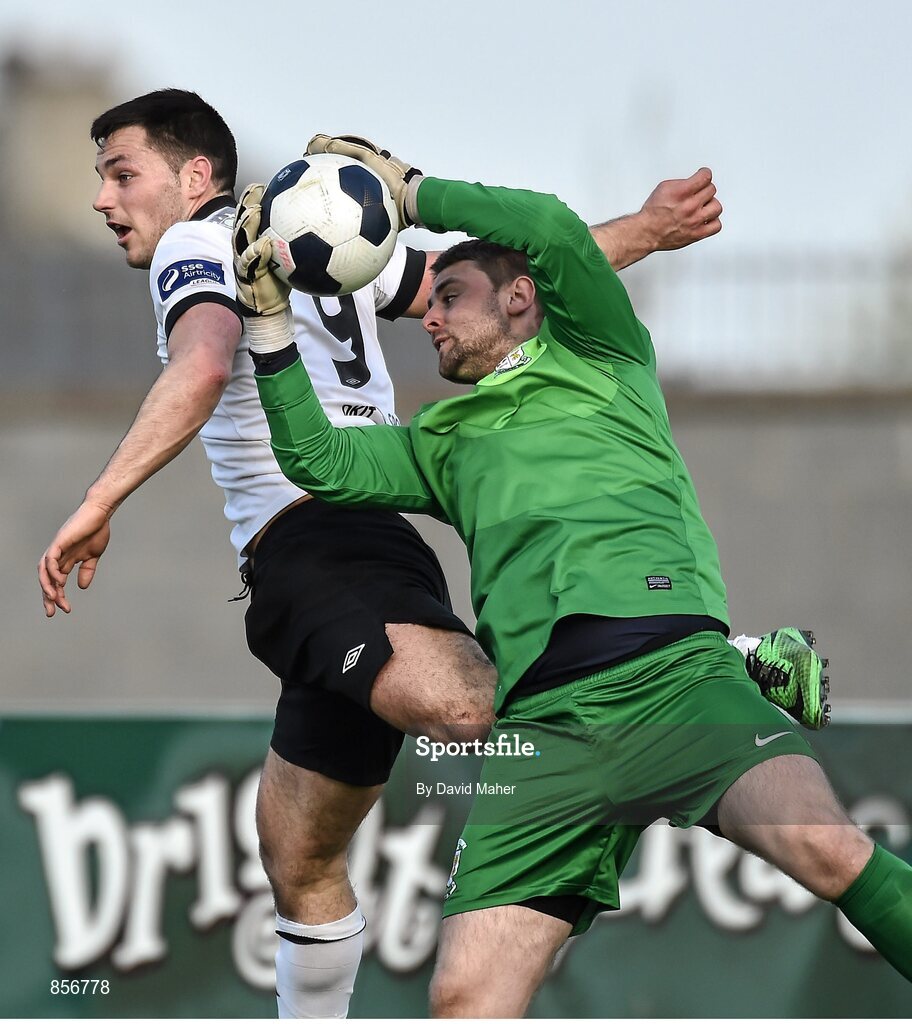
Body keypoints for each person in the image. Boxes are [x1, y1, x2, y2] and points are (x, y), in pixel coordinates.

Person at [32, 90, 787, 1018]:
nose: (105, 200)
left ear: (195, 177)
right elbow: (491, 294)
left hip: (319, 549)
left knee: (467, 708)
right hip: (353, 542)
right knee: (298, 854)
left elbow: (201, 361)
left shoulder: (198, 243)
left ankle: (712, 667)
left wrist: (98, 501)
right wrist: (645, 229)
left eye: (121, 173)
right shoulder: (313, 228)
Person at [235, 135, 910, 1016]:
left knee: (830, 853)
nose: (428, 317)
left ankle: (737, 662)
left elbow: (550, 228)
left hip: (673, 683)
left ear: (520, 299)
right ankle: (752, 658)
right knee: (464, 1000)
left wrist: (413, 192)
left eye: (449, 295)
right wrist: (270, 327)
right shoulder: (442, 440)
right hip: (544, 734)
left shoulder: (600, 355)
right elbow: (318, 459)